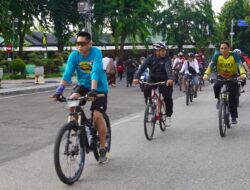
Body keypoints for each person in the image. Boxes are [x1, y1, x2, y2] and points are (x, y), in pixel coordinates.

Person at [52, 31, 109, 163]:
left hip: (98, 87)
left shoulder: (96, 52)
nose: (79, 46)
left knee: (97, 116)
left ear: (90, 43)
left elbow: (95, 71)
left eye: (82, 44)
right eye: (77, 43)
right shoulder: (74, 55)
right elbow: (67, 73)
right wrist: (59, 90)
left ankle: (102, 148)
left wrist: (94, 90)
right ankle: (76, 127)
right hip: (83, 85)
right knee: (72, 100)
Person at [203, 41, 246, 124]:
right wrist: (206, 74)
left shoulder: (234, 55)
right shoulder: (217, 55)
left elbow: (240, 64)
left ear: (229, 49)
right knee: (216, 86)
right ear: (219, 49)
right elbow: (211, 65)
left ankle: (233, 117)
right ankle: (219, 100)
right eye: (221, 48)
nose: (223, 50)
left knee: (233, 98)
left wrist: (243, 74)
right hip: (221, 76)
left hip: (233, 77)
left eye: (225, 48)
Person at [133, 42, 174, 126]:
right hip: (153, 78)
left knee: (167, 97)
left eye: (164, 50)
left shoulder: (167, 59)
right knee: (146, 89)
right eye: (161, 50)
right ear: (156, 51)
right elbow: (142, 68)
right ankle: (150, 104)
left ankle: (168, 115)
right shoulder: (150, 58)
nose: (164, 52)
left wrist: (170, 78)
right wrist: (136, 77)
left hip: (165, 80)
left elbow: (168, 68)